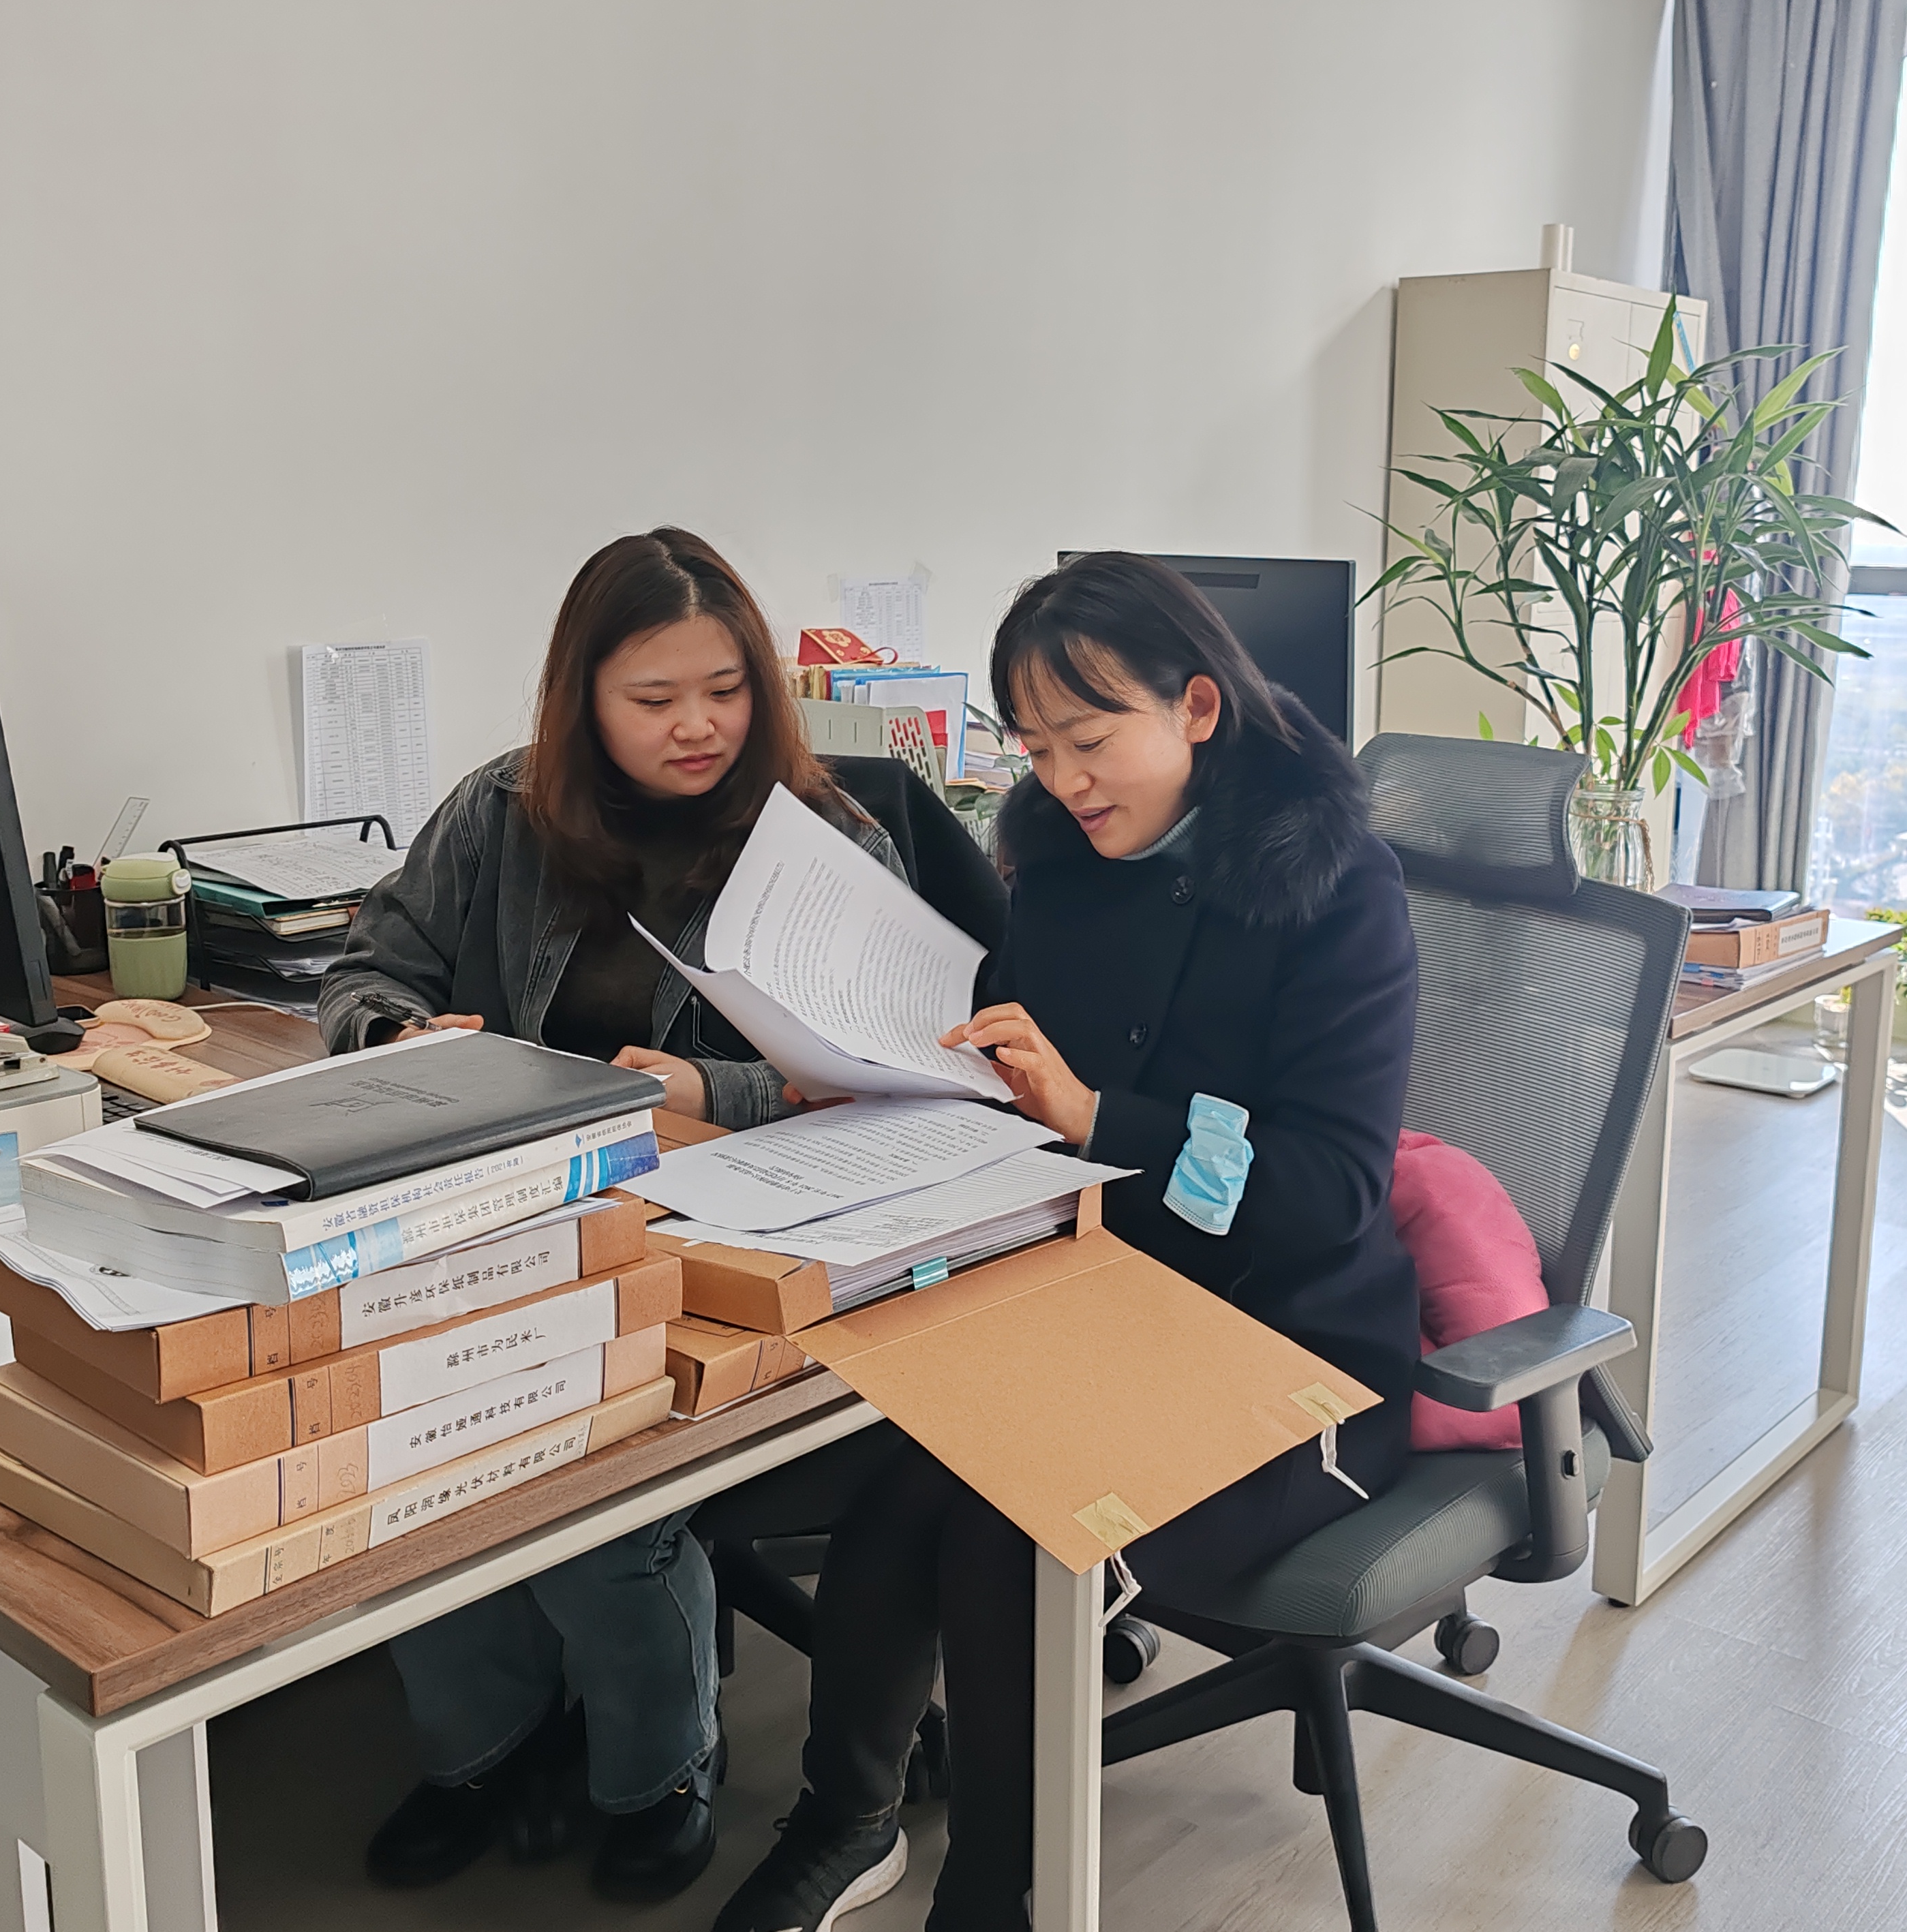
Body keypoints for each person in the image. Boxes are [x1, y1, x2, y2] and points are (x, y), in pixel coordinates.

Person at [714, 552, 1421, 1932]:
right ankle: (846, 1820)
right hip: (1097, 1298)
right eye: (1036, 748)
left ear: (1197, 708)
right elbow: (1015, 1075)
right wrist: (879, 1074)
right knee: (902, 1489)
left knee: (1008, 1529)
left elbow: (1330, 1189)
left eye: (1090, 741)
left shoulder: (1337, 891)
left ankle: (998, 1887)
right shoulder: (1053, 863)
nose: (1064, 780)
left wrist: (1102, 1115)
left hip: (1292, 1351)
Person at [319, 527, 911, 1903]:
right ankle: (487, 1747)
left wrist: (710, 1087)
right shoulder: (501, 810)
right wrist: (400, 1037)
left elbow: (893, 1077)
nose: (697, 725)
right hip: (509, 1223)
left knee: (592, 1493)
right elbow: (362, 972)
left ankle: (659, 1765)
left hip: (725, 1254)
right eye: (654, 698)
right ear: (582, 698)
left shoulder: (829, 847)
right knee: (410, 1451)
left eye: (725, 690)